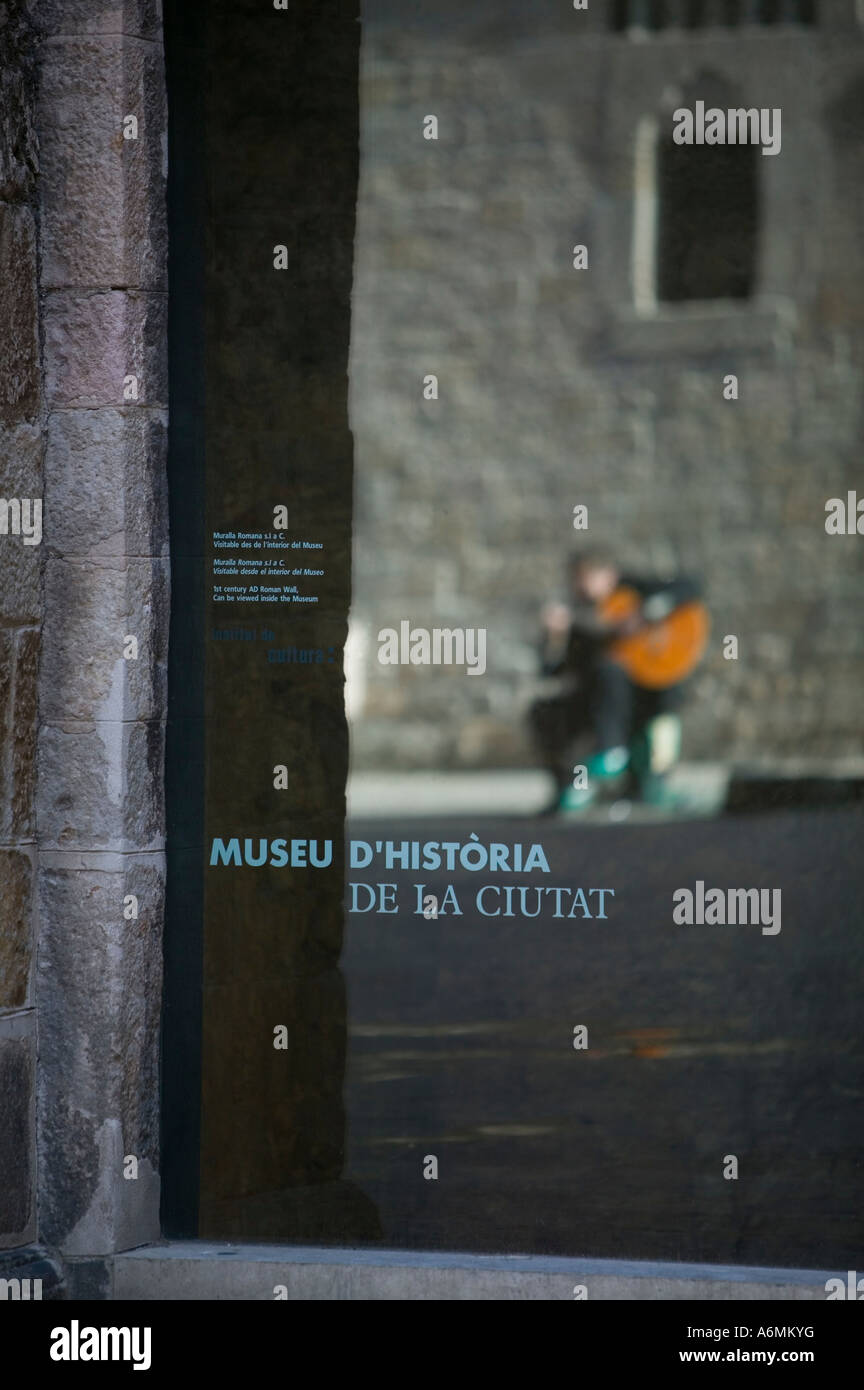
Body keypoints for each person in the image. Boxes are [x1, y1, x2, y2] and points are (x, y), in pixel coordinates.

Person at [530, 550, 704, 812]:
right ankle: (573, 787)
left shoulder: (632, 592)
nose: (583, 586)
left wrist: (643, 614)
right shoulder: (583, 619)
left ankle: (634, 774)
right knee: (544, 711)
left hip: (649, 694)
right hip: (598, 704)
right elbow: (552, 671)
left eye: (589, 578)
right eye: (577, 579)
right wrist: (553, 638)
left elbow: (690, 588)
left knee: (613, 670)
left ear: (609, 575)